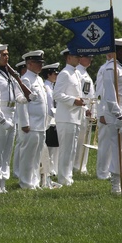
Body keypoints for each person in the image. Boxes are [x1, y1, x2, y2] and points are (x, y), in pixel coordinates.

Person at [96, 39, 122, 195]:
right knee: (118, 148)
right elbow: (110, 95)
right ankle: (116, 184)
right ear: (120, 51)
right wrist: (117, 114)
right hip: (117, 111)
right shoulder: (111, 69)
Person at [0, 44, 22, 194]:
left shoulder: (8, 73)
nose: (6, 57)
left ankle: (2, 181)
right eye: (3, 54)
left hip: (12, 111)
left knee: (7, 151)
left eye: (7, 54)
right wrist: (1, 118)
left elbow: (15, 92)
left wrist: (23, 98)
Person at [14, 51, 47, 190]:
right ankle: (26, 182)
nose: (40, 65)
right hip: (31, 124)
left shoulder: (38, 79)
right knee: (28, 155)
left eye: (41, 63)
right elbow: (22, 104)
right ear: (29, 64)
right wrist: (25, 123)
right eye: (37, 63)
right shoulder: (25, 80)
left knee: (36, 155)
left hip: (40, 124)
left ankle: (34, 181)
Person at [53, 48, 85, 186]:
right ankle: (63, 178)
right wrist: (73, 101)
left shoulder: (76, 73)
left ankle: (68, 177)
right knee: (66, 149)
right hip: (66, 117)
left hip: (75, 116)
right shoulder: (64, 74)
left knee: (72, 150)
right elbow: (57, 94)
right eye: (76, 56)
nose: (79, 58)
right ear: (68, 58)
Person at [72, 52, 96, 176]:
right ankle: (76, 165)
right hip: (81, 110)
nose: (90, 59)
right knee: (79, 139)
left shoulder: (85, 73)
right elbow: (78, 94)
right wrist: (86, 107)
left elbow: (91, 95)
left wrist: (93, 111)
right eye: (88, 57)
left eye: (91, 57)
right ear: (80, 58)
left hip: (88, 110)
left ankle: (82, 165)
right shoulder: (77, 73)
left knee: (86, 139)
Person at [40, 63, 61, 188]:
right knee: (51, 147)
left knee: (55, 146)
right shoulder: (46, 87)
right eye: (54, 73)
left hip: (55, 117)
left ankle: (54, 168)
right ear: (49, 74)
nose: (56, 75)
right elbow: (49, 105)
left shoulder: (52, 87)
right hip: (50, 118)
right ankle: (50, 169)